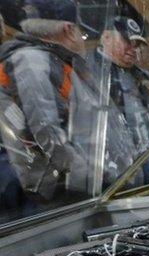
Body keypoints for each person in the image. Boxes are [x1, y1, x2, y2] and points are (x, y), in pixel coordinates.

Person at [0, 0, 92, 212]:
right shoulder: (32, 61)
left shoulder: (48, 60)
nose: (82, 40)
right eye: (82, 33)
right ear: (69, 30)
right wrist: (88, 177)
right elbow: (46, 129)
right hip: (44, 192)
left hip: (48, 184)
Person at [88, 16, 149, 185]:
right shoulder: (89, 70)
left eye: (137, 45)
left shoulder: (143, 77)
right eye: (127, 41)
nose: (134, 49)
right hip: (112, 170)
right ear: (106, 37)